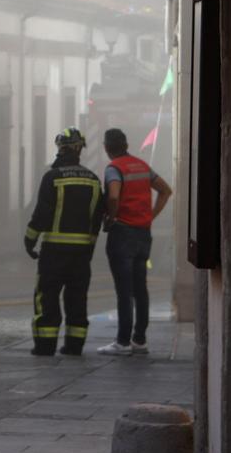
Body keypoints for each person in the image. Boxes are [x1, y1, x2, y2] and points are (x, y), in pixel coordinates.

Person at [24, 127, 105, 356]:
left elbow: (41, 214)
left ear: (60, 148)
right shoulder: (93, 180)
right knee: (77, 297)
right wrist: (90, 246)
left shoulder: (53, 177)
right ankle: (74, 345)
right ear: (80, 149)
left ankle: (45, 345)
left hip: (54, 251)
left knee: (46, 295)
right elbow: (98, 217)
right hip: (82, 254)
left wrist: (29, 241)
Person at [97, 127, 173, 355]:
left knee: (124, 290)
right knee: (141, 289)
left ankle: (122, 342)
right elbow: (166, 191)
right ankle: (140, 339)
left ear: (107, 148)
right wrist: (151, 215)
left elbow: (112, 195)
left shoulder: (114, 168)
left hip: (122, 233)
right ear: (126, 144)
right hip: (143, 233)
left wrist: (111, 217)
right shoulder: (141, 166)